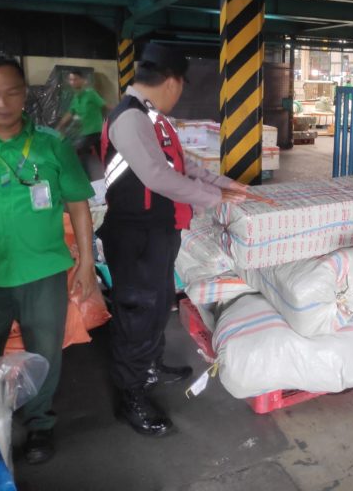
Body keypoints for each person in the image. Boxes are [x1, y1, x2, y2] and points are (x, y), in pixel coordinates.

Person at [0, 54, 96, 464]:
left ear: (24, 94)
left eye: (12, 92)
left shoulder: (51, 144)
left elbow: (79, 204)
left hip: (43, 271)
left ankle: (40, 426)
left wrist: (86, 265)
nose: (2, 103)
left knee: (45, 352)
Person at [97, 43, 247, 437]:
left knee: (159, 302)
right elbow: (158, 177)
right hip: (135, 234)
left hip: (160, 230)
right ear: (172, 82)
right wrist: (216, 200)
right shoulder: (130, 119)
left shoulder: (154, 119)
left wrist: (230, 186)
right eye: (181, 86)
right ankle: (132, 395)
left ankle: (151, 364)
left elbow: (185, 166)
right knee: (138, 312)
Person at [57, 69, 107, 177]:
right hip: (84, 131)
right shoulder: (76, 97)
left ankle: (87, 177)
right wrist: (60, 125)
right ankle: (95, 174)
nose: (72, 82)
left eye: (75, 79)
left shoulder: (90, 94)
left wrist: (119, 111)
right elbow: (70, 113)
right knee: (95, 154)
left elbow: (104, 105)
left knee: (80, 150)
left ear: (82, 80)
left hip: (95, 131)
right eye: (71, 80)